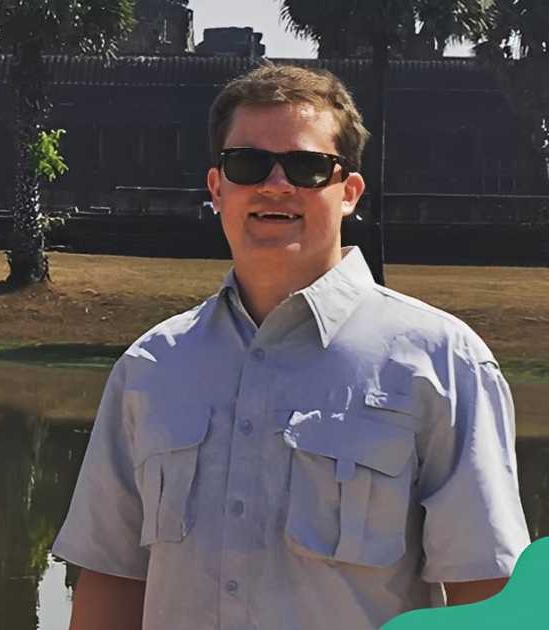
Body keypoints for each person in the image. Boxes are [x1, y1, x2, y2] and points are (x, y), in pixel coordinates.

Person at [51, 63, 531, 630]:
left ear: (349, 192)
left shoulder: (439, 362)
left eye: (306, 167)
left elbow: (489, 593)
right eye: (248, 164)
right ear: (217, 188)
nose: (275, 185)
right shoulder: (153, 367)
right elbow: (112, 578)